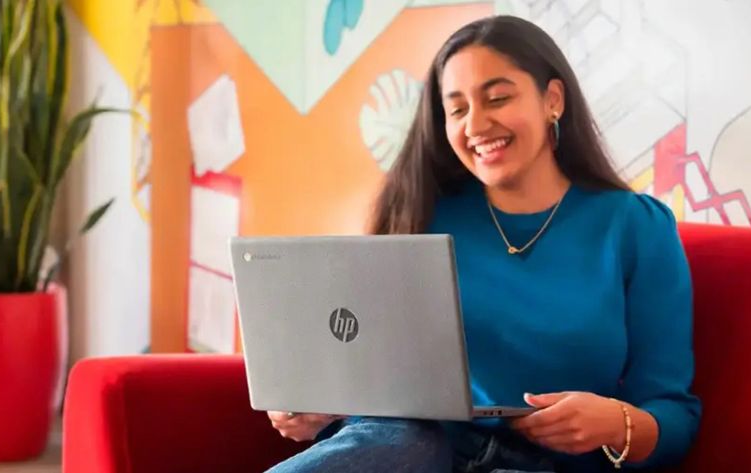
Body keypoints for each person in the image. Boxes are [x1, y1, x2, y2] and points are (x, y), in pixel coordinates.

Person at [265, 14, 700, 473]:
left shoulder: (635, 227)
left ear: (552, 99)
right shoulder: (422, 216)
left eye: (498, 98)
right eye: (456, 109)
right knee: (401, 442)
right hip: (415, 448)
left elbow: (674, 416)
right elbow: (371, 373)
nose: (476, 124)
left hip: (547, 465)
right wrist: (318, 404)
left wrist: (616, 422)